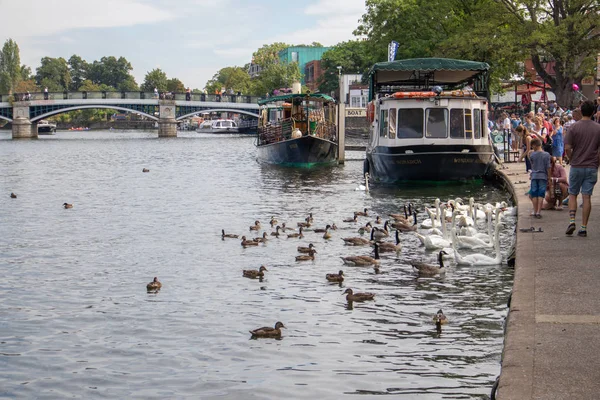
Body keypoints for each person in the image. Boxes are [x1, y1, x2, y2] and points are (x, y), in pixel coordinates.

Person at [564, 100, 600, 237]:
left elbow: (567, 148)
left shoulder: (573, 128)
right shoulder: (598, 128)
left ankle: (572, 220)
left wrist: (571, 158)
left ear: (581, 111)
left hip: (576, 165)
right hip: (591, 166)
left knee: (573, 194)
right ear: (593, 112)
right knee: (587, 197)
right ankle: (583, 227)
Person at [528, 138, 551, 218]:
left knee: (534, 194)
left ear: (534, 145)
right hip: (543, 176)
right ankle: (538, 212)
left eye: (532, 146)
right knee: (541, 194)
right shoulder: (547, 155)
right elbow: (548, 167)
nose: (532, 148)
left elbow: (532, 165)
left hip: (534, 176)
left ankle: (534, 210)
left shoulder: (532, 154)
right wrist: (549, 177)